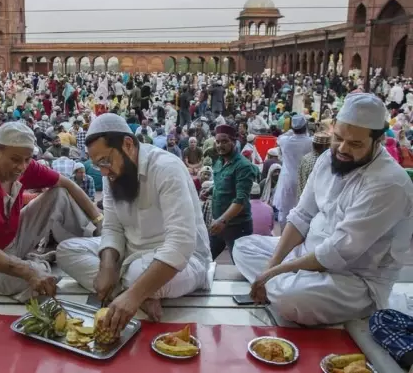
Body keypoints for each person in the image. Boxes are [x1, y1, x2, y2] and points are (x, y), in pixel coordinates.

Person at [233, 94, 413, 326]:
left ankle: (283, 285)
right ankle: (282, 282)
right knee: (243, 247)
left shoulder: (388, 183)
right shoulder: (328, 157)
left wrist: (272, 273)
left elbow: (337, 252)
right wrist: (272, 266)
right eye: (338, 138)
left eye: (355, 144)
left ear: (377, 141)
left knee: (293, 299)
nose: (343, 149)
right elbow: (302, 215)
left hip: (353, 279)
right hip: (304, 255)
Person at [56, 113, 212, 328]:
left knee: (137, 273)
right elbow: (112, 226)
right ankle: (136, 290)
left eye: (105, 161)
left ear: (128, 144)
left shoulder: (166, 168)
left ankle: (132, 290)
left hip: (183, 261)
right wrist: (107, 267)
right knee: (67, 250)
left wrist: (133, 296)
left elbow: (181, 243)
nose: (102, 171)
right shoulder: (111, 173)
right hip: (131, 253)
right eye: (97, 164)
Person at [0, 122, 102, 301]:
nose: (21, 166)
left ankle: (96, 248)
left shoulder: (24, 166)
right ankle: (33, 262)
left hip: (9, 240)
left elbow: (68, 184)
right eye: (15, 159)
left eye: (27, 159)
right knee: (40, 280)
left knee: (59, 193)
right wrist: (29, 272)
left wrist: (99, 221)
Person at [209, 124, 256, 260]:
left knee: (242, 266)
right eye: (217, 142)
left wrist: (222, 220)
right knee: (205, 258)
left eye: (224, 141)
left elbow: (240, 199)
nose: (219, 145)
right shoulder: (219, 161)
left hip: (236, 227)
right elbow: (223, 184)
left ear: (234, 142)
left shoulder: (243, 166)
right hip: (218, 225)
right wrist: (210, 189)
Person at [272, 115, 312, 230]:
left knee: (285, 209)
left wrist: (290, 131)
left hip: (287, 179)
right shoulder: (310, 142)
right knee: (301, 209)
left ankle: (283, 234)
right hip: (304, 179)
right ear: (305, 127)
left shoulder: (285, 141)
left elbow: (280, 137)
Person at [297, 132, 330, 196]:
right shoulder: (325, 162)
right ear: (326, 146)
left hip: (302, 198)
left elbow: (300, 179)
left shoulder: (305, 158)